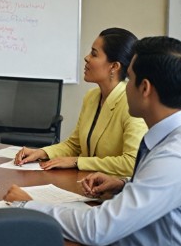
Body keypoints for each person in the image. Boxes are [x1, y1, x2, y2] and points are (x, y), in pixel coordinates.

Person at [3, 36, 181, 246]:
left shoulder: (177, 156)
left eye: (130, 79)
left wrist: (27, 206)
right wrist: (124, 184)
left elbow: (97, 229)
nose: (125, 86)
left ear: (145, 88)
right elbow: (161, 188)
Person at [15, 28, 148, 177]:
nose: (86, 58)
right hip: (86, 183)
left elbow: (132, 162)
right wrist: (42, 152)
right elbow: (75, 145)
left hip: (114, 192)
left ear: (114, 66)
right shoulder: (92, 97)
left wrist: (78, 162)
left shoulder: (130, 103)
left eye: (94, 54)